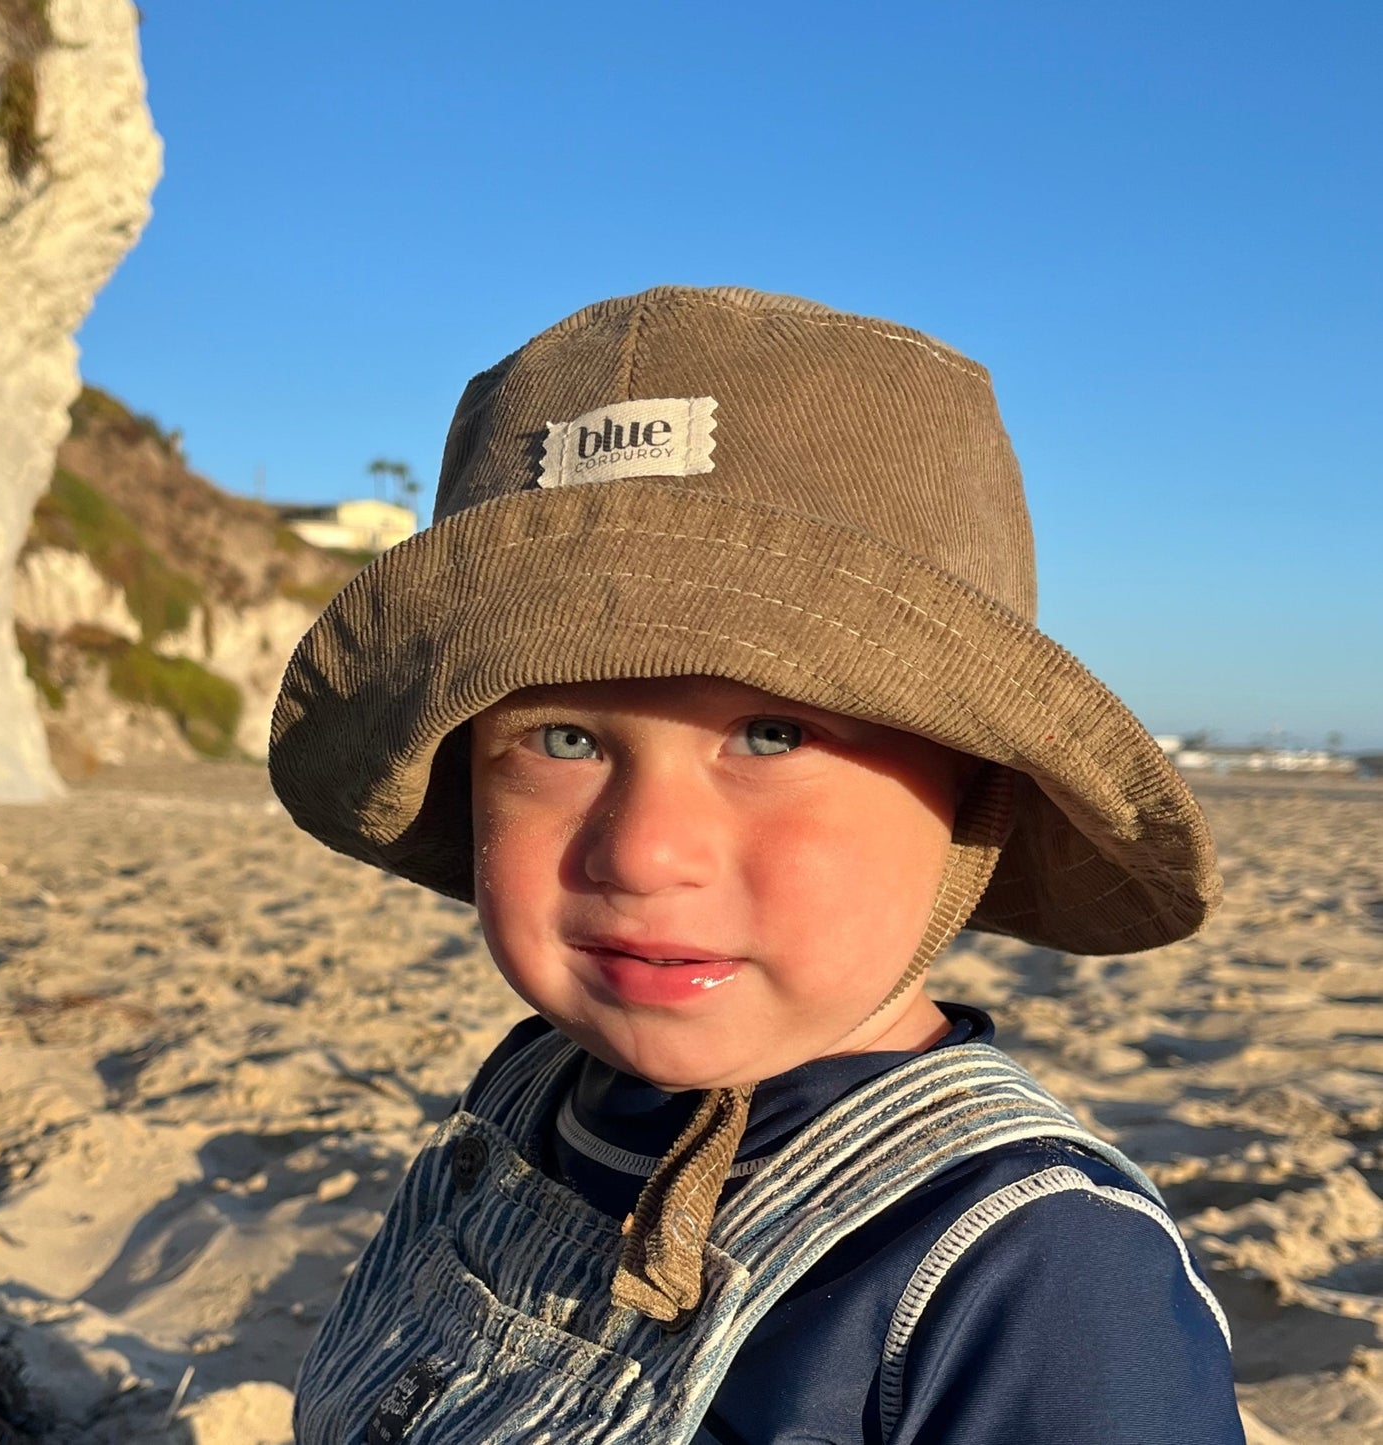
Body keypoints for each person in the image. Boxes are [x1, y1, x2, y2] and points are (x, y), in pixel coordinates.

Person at [269, 285, 1246, 1443]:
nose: (642, 851)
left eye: (771, 735)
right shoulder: (533, 1091)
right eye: (562, 740)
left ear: (974, 786)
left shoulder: (1030, 1270)